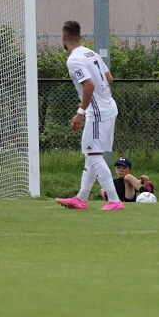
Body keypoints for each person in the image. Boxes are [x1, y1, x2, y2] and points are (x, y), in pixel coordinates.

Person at [55, 20, 123, 210]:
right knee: (91, 153)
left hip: (98, 113)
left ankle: (115, 200)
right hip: (108, 107)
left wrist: (81, 112)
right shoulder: (90, 53)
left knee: (93, 154)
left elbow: (89, 85)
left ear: (63, 37)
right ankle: (81, 198)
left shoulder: (74, 59)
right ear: (81, 37)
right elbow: (109, 79)